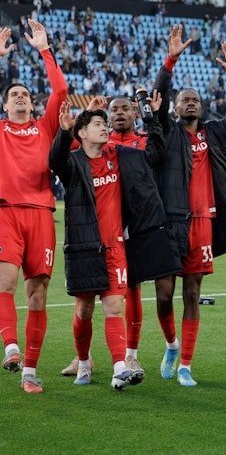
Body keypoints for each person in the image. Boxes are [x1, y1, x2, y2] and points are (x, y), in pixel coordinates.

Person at [153, 25, 226, 387]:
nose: (191, 103)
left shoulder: (216, 133)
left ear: (202, 106)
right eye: (184, 100)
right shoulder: (167, 131)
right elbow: (157, 97)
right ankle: (171, 345)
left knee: (192, 294)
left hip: (204, 223)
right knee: (164, 295)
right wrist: (171, 60)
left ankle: (186, 366)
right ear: (175, 107)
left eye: (195, 99)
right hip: (170, 222)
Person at [49, 96, 173, 389]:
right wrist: (64, 131)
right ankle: (83, 362)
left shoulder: (119, 155)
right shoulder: (73, 163)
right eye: (97, 124)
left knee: (114, 307)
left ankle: (120, 367)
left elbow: (155, 155)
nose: (104, 127)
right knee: (83, 310)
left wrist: (151, 118)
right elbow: (55, 160)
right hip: (83, 247)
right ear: (82, 133)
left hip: (115, 246)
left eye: (104, 123)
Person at [0, 20, 68, 394]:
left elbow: (61, 90)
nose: (21, 97)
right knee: (5, 282)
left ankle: (29, 372)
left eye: (25, 94)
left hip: (42, 214)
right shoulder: (0, 129)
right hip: (6, 212)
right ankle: (10, 346)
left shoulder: (45, 128)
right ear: (5, 104)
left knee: (37, 296)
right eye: (14, 94)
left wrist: (45, 50)